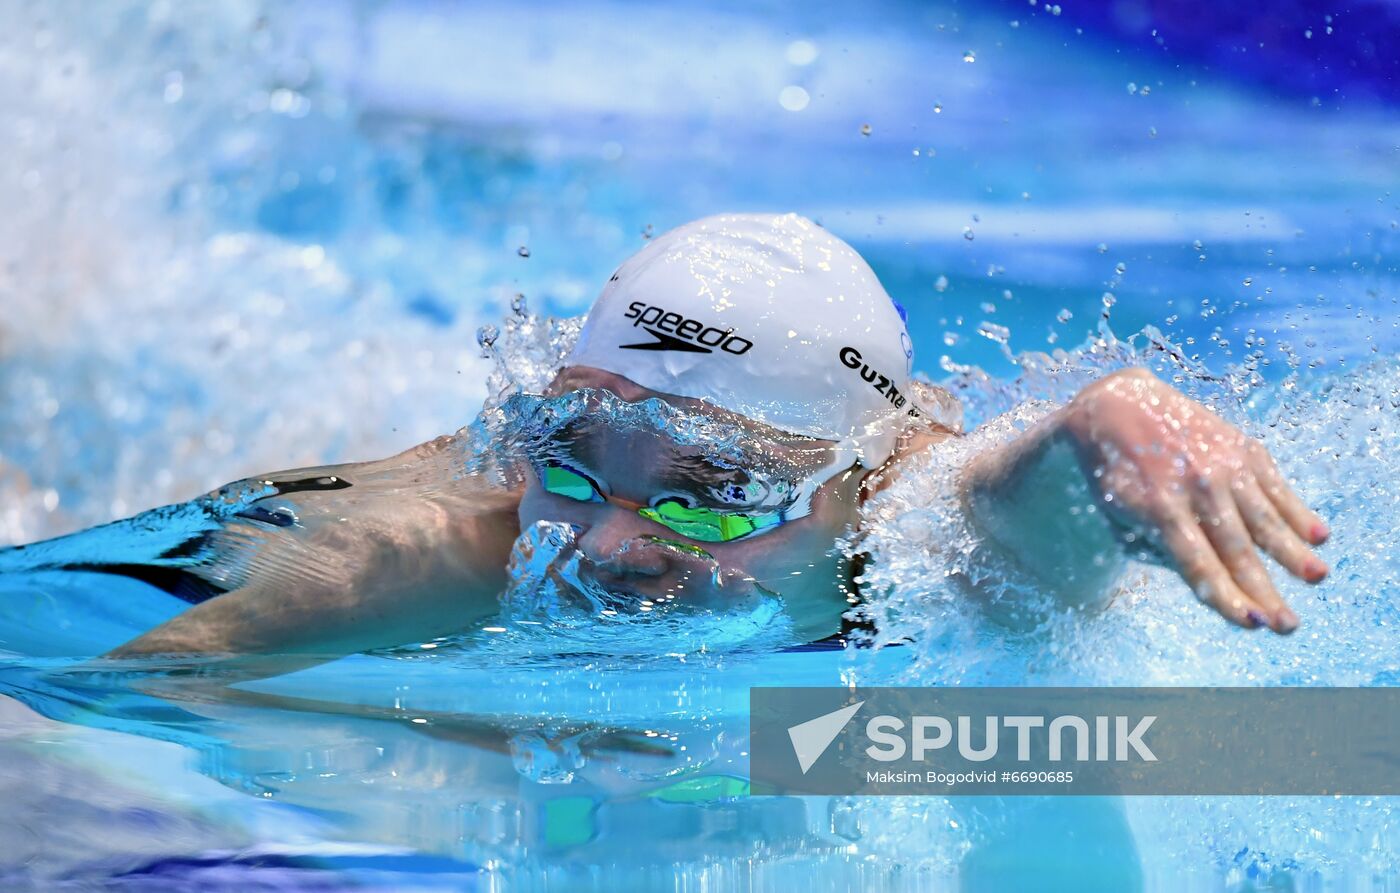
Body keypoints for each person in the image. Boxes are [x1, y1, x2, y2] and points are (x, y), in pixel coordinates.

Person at [12, 213, 1328, 668]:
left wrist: (1105, 425)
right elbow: (89, 684)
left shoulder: (890, 529)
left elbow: (1008, 503)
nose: (611, 544)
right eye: (575, 462)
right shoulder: (441, 549)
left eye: (709, 496)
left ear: (848, 490)